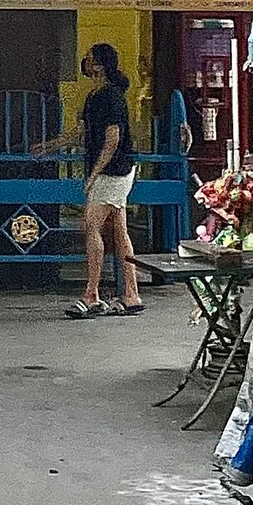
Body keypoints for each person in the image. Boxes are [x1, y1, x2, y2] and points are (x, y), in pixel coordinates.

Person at [67, 44, 144, 317]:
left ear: (99, 64)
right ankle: (131, 294)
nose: (85, 61)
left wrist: (94, 175)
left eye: (89, 57)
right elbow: (81, 134)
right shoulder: (94, 97)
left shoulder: (112, 97)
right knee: (119, 232)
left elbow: (113, 140)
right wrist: (50, 145)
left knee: (92, 225)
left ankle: (91, 295)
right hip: (113, 169)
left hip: (114, 170)